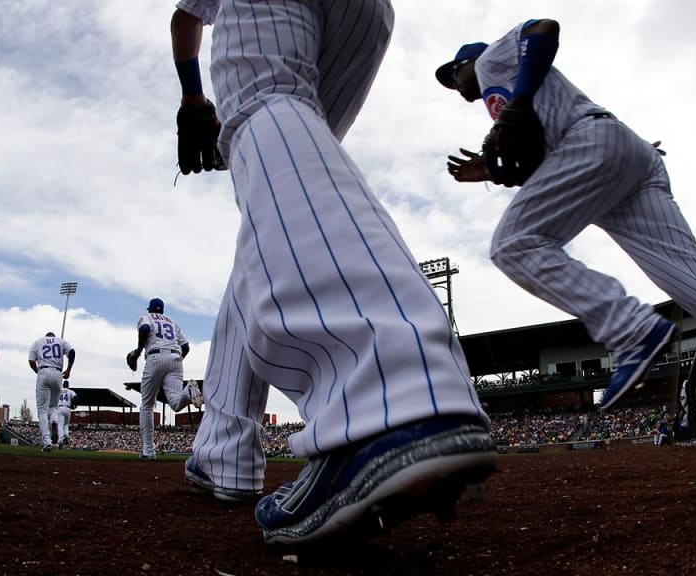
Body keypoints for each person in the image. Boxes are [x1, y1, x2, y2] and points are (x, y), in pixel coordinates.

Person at [170, 0, 497, 546]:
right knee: (282, 198)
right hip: (368, 15)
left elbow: (185, 20)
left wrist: (192, 98)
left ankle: (389, 398)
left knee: (263, 104)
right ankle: (223, 446)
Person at [436, 18, 696, 458]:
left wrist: (519, 104)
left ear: (469, 62)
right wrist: (492, 171)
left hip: (593, 145)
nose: (453, 85)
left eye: (453, 73)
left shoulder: (494, 59)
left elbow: (543, 29)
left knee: (513, 244)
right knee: (695, 282)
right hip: (624, 156)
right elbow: (534, 161)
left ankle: (630, 328)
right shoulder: (507, 93)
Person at [127, 298, 202, 459]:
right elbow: (186, 346)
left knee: (146, 406)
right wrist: (176, 360)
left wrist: (139, 351)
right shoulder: (172, 322)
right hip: (176, 357)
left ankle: (148, 450)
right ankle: (189, 391)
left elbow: (145, 328)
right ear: (162, 310)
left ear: (150, 309)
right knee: (175, 403)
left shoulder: (146, 317)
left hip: (154, 357)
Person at [28, 331, 76, 451]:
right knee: (54, 406)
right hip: (58, 373)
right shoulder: (60, 341)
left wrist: (37, 372)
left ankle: (47, 441)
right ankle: (54, 420)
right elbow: (72, 352)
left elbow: (31, 360)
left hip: (43, 371)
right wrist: (69, 370)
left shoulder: (38, 342)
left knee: (42, 410)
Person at [54, 380, 79, 448]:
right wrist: (74, 405)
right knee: (66, 424)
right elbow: (76, 398)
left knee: (60, 425)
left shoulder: (58, 391)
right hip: (67, 409)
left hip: (60, 408)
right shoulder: (70, 391)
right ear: (68, 385)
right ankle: (66, 435)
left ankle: (60, 440)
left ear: (63, 385)